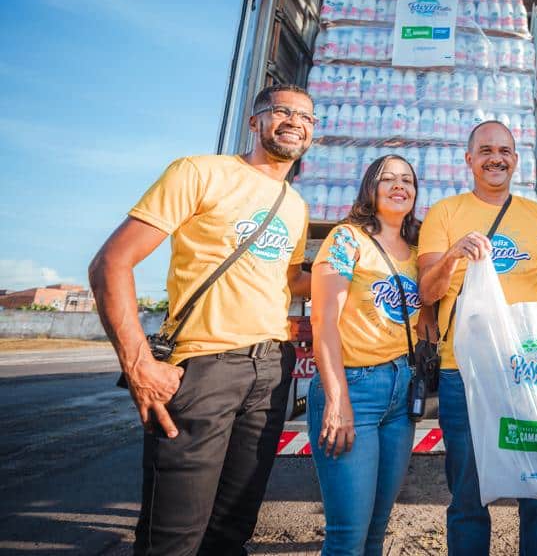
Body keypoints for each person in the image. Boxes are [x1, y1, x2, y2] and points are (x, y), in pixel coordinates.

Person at [88, 83, 314, 555]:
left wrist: (358, 275)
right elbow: (111, 263)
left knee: (232, 530)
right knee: (174, 538)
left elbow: (286, 279)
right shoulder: (200, 173)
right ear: (255, 122)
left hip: (271, 372)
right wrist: (139, 366)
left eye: (307, 118)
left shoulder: (295, 206)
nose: (295, 122)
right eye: (282, 112)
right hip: (206, 368)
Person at [417, 120, 537, 556]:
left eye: (503, 150)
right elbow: (427, 292)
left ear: (515, 160)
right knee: (467, 496)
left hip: (528, 372)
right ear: (469, 160)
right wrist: (451, 255)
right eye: (485, 150)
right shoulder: (445, 213)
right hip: (464, 374)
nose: (495, 158)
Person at [309, 153, 432, 556]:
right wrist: (337, 399)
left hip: (400, 395)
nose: (400, 186)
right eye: (388, 179)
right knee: (347, 536)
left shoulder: (417, 249)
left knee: (377, 533)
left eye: (407, 180)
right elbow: (324, 322)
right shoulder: (347, 239)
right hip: (355, 388)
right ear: (370, 188)